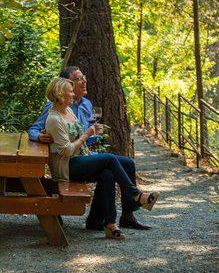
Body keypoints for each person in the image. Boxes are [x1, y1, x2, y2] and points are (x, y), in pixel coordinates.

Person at [28, 66, 152, 231]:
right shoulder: (55, 108)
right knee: (109, 160)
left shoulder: (86, 104)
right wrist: (39, 136)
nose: (84, 81)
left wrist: (93, 134)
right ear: (66, 86)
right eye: (79, 79)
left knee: (126, 163)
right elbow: (35, 129)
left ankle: (121, 217)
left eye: (83, 77)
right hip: (69, 160)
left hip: (83, 153)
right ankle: (134, 196)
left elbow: (84, 134)